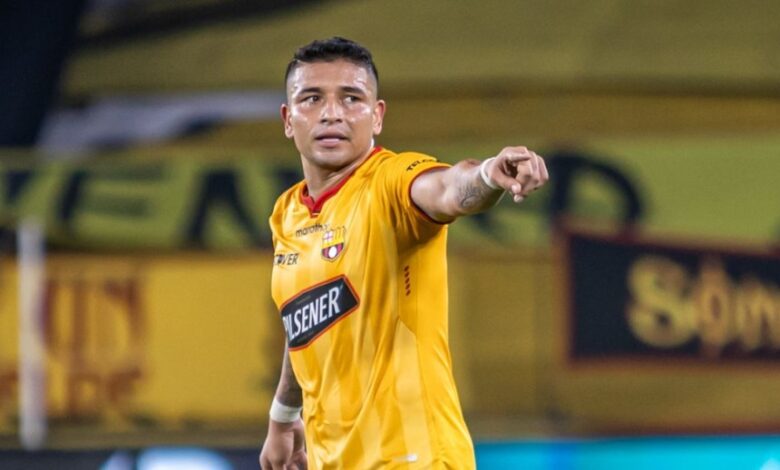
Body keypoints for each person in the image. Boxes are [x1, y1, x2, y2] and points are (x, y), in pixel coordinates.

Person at [259, 37, 548, 469]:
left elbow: (450, 188)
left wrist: (490, 174)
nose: (332, 113)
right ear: (288, 119)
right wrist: (283, 417)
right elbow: (301, 320)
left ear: (377, 116)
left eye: (351, 98)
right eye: (312, 98)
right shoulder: (287, 214)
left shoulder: (391, 183)